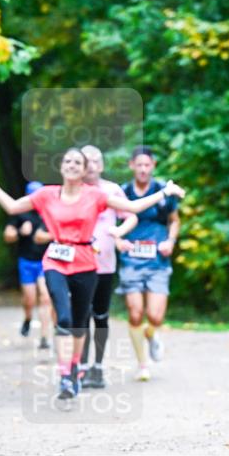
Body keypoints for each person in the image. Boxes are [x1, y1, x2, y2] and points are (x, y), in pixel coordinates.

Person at [0, 149, 186, 401]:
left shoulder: (96, 195)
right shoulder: (47, 194)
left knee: (81, 322)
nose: (72, 165)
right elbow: (11, 206)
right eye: (68, 161)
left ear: (85, 171)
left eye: (78, 163)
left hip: (86, 262)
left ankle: (75, 368)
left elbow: (132, 207)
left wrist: (164, 192)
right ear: (61, 167)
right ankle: (65, 376)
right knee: (64, 317)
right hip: (56, 261)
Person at [115, 146, 180, 382]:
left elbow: (174, 221)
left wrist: (170, 241)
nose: (143, 169)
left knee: (155, 316)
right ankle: (142, 364)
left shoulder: (164, 190)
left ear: (152, 166)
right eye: (138, 165)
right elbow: (111, 223)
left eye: (147, 165)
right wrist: (119, 240)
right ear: (132, 165)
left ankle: (151, 334)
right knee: (135, 313)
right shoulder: (121, 193)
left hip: (157, 260)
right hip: (130, 259)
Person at [78, 145, 138, 389]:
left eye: (96, 160)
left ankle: (98, 367)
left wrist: (119, 232)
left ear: (101, 165)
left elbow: (131, 216)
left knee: (100, 317)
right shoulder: (73, 190)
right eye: (87, 160)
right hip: (77, 266)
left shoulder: (112, 190)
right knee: (80, 318)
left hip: (104, 265)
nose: (91, 165)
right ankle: (80, 367)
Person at [4, 181, 53, 350]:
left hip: (45, 261)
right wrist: (19, 232)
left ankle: (45, 337)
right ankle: (27, 318)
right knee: (29, 299)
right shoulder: (20, 214)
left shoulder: (50, 213)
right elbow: (7, 236)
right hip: (26, 261)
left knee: (46, 298)